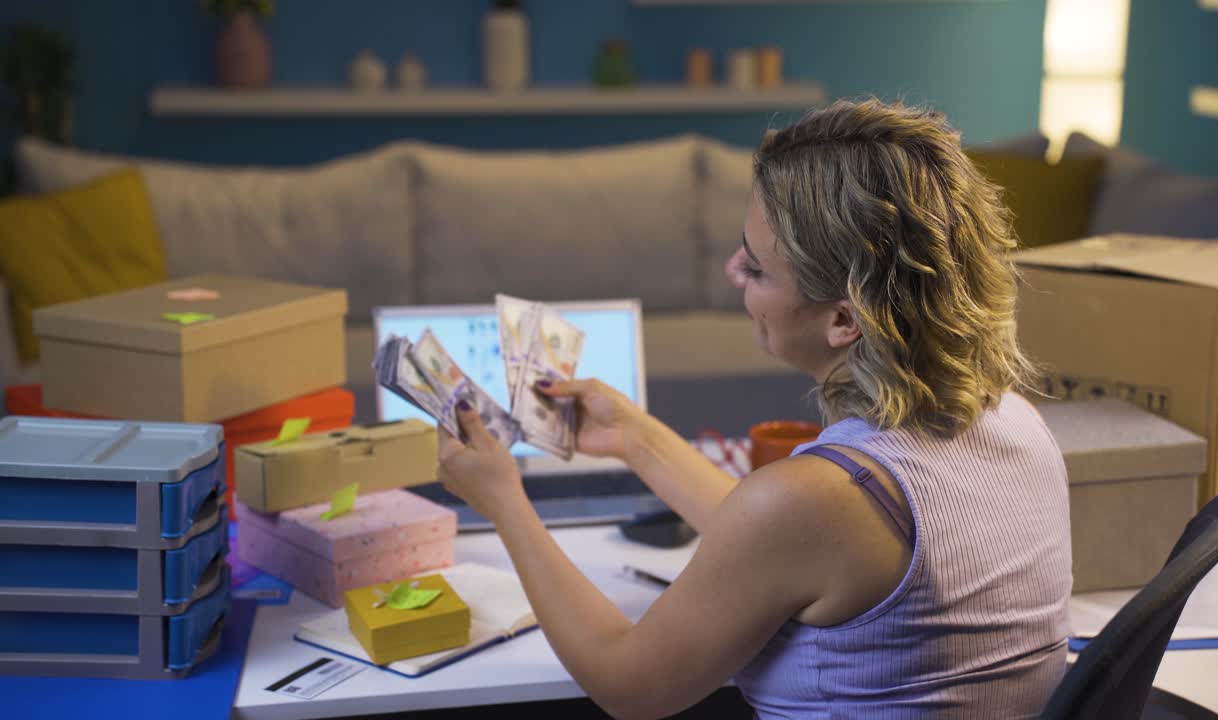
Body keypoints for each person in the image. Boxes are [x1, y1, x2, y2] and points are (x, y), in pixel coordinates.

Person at [437, 98, 1072, 720]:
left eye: (758, 268)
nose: (732, 271)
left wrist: (504, 502)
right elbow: (781, 546)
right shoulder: (1016, 422)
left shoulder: (818, 501)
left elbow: (627, 684)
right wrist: (635, 438)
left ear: (844, 319)